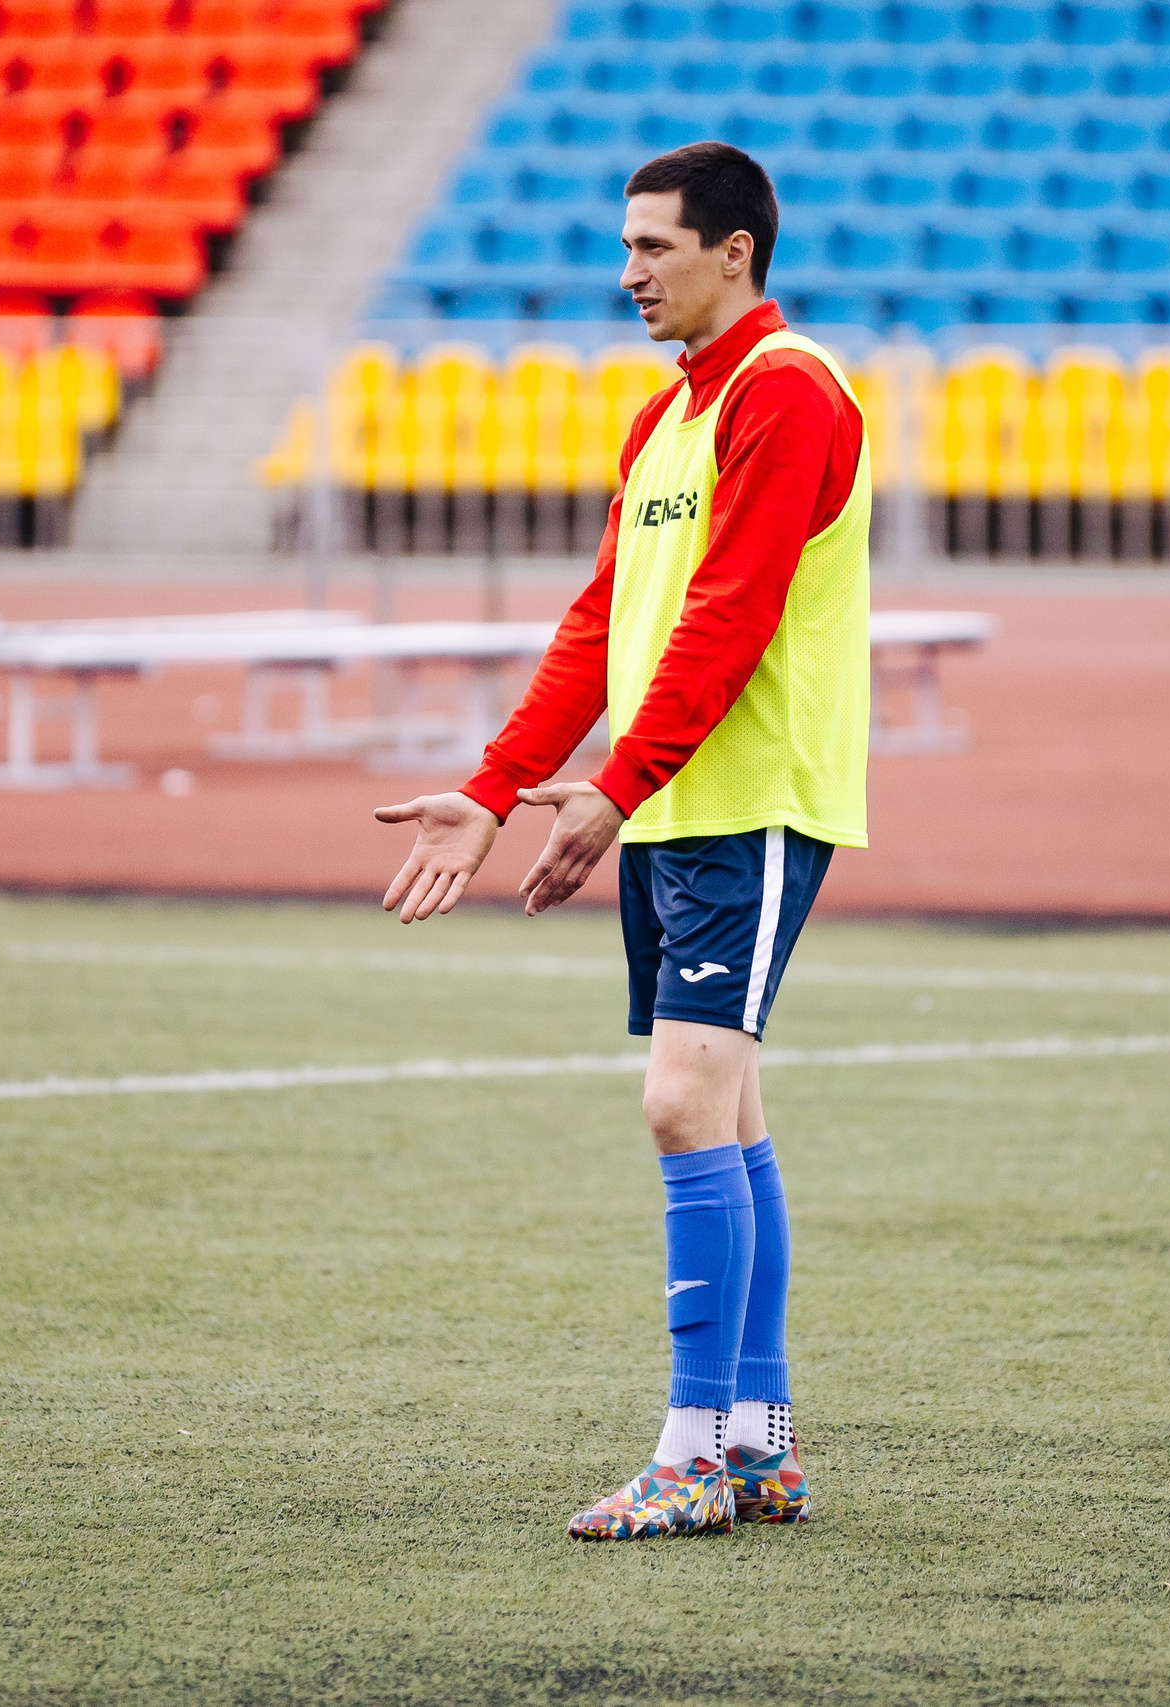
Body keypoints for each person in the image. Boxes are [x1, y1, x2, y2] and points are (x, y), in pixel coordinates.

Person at [373, 141, 872, 1539]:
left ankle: (692, 1456)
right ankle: (762, 1444)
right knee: (729, 1108)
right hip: (674, 808)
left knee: (677, 1105)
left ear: (737, 254)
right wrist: (495, 787)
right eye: (626, 245)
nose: (627, 272)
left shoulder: (789, 395)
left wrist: (612, 784)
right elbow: (604, 623)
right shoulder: (670, 420)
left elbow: (735, 612)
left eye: (654, 246)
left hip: (748, 801)